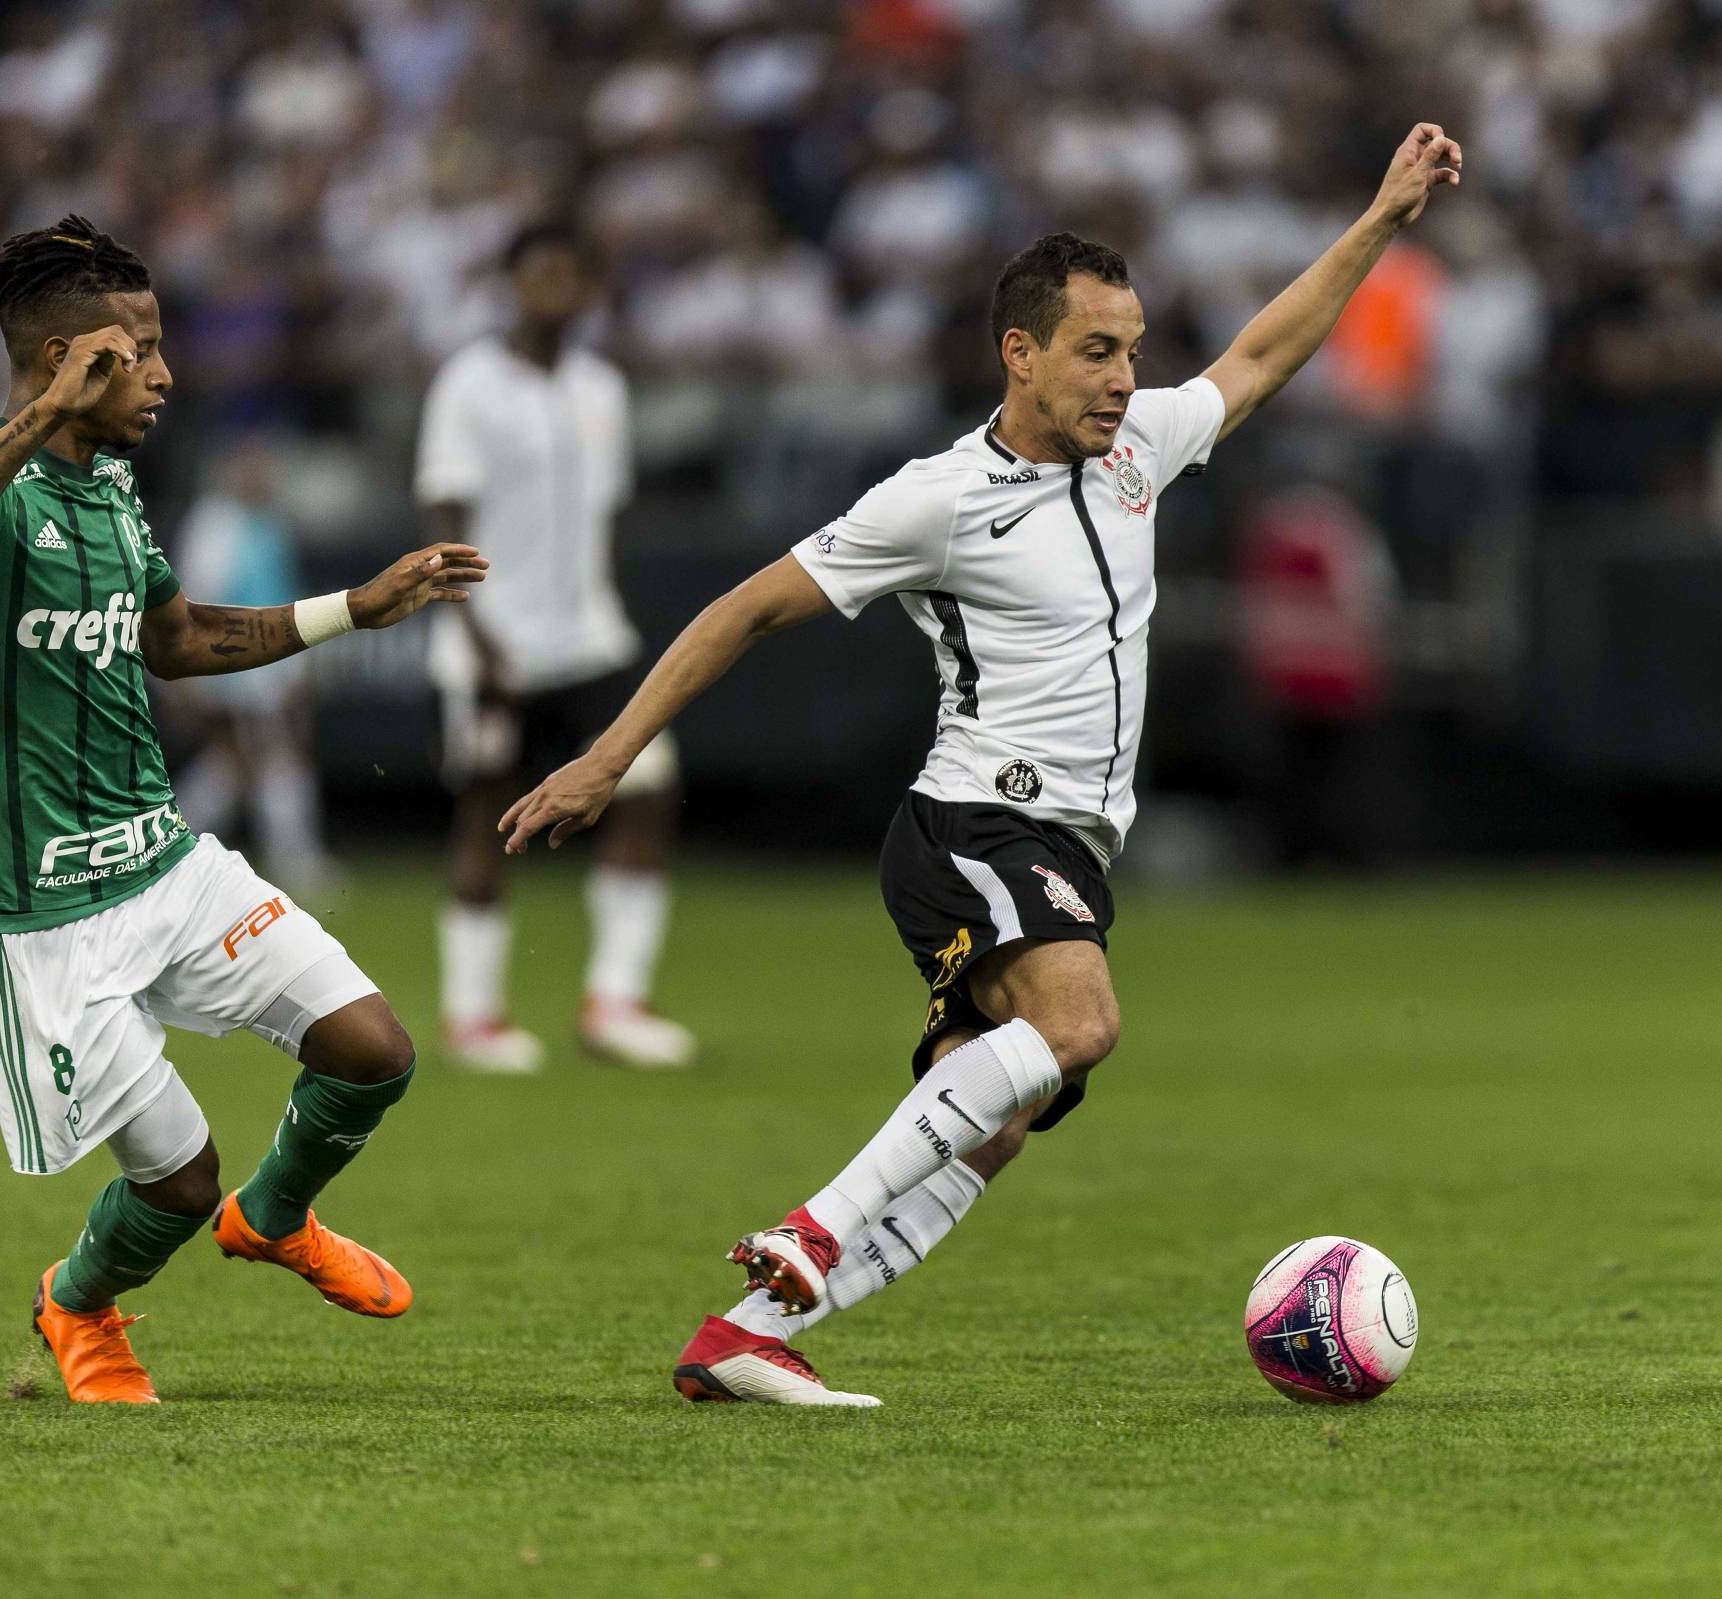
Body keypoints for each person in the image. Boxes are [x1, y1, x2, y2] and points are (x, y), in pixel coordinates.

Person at [502, 125, 1464, 1405]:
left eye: (1132, 350)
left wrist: (1385, 214)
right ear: (1020, 352)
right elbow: (742, 609)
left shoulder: (1140, 454)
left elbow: (1265, 351)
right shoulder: (936, 500)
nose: (1125, 378)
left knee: (998, 1118)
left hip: (1070, 846)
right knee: (1080, 1024)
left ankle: (745, 1338)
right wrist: (607, 757)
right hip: (974, 822)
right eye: (1095, 351)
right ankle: (811, 1230)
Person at [0, 215, 488, 1404]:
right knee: (175, 1181)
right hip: (45, 917)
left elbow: (180, 638)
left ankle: (277, 1218)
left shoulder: (112, 492)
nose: (163, 375)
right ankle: (79, 1305)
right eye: (137, 352)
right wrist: (46, 414)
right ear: (62, 359)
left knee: (374, 1055)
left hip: (166, 868)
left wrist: (352, 611)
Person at [416, 220, 693, 1074]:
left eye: (570, 277)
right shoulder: (469, 383)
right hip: (493, 646)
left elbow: (603, 515)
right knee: (488, 812)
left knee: (647, 792)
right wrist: (472, 629)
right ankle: (473, 1016)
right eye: (538, 276)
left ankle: (613, 999)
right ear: (508, 282)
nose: (554, 293)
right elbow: (444, 514)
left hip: (589, 640)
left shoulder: (601, 387)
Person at [171, 433, 336, 893]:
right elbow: (195, 600)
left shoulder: (271, 524)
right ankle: (292, 856)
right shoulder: (215, 524)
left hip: (269, 668)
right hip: (232, 667)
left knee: (249, 762)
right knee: (259, 757)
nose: (261, 474)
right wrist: (194, 678)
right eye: (250, 464)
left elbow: (286, 597)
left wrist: (298, 667)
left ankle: (174, 845)